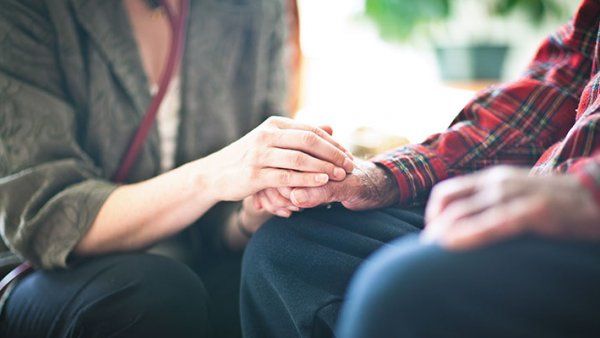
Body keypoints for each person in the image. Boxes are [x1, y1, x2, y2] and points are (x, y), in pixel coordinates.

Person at [240, 0, 600, 337]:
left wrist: (586, 190)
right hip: (557, 192)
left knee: (403, 286)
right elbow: (553, 90)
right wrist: (381, 177)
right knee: (289, 251)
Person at [0, 0, 355, 337]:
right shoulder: (28, 10)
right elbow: (46, 218)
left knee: (287, 275)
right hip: (43, 271)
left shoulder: (257, 9)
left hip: (196, 253)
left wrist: (252, 212)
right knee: (155, 296)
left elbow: (224, 213)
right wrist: (210, 177)